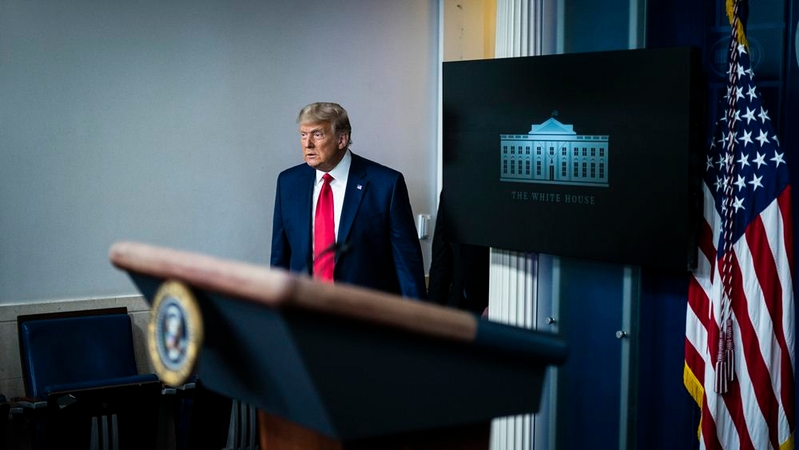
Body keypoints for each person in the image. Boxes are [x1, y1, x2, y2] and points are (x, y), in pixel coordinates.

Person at [270, 102, 426, 299]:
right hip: (305, 314)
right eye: (303, 135)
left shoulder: (386, 184)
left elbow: (407, 263)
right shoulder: (288, 182)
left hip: (364, 315)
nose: (307, 143)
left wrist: (415, 321)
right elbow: (280, 256)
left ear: (342, 139)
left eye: (317, 135)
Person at [427, 190, 490, 315]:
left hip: (491, 308)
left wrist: (496, 305)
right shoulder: (451, 192)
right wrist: (431, 313)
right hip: (455, 307)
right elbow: (441, 261)